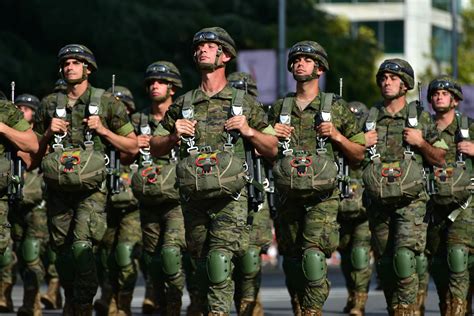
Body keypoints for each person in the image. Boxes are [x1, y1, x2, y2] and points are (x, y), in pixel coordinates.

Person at [150, 27, 277, 315]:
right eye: (199, 47)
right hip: (194, 198)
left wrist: (248, 130)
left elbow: (272, 148)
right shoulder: (183, 104)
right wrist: (172, 137)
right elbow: (154, 147)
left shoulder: (244, 103)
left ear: (226, 55)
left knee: (220, 261)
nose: (202, 50)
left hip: (231, 199)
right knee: (203, 265)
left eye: (210, 46)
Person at [34, 44, 138, 315]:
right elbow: (32, 156)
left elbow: (132, 146)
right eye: (66, 63)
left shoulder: (106, 103)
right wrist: (47, 133)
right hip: (57, 191)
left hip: (92, 192)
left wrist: (103, 130)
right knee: (63, 254)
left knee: (82, 247)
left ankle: (82, 306)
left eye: (76, 63)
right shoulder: (48, 104)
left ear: (88, 69)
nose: (70, 67)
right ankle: (72, 299)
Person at [268, 40, 366, 315]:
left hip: (322, 197)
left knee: (312, 256)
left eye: (307, 60)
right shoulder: (279, 108)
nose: (300, 63)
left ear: (320, 68)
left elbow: (358, 155)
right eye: (296, 60)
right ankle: (300, 307)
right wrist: (270, 137)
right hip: (287, 195)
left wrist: (336, 135)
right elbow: (263, 152)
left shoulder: (336, 106)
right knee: (292, 260)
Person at [362, 58, 447, 314]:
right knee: (386, 266)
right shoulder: (370, 117)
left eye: (393, 78)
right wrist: (360, 142)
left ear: (405, 85)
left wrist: (421, 143)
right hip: (378, 202)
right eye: (384, 78)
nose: (387, 83)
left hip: (412, 203)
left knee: (404, 258)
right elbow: (352, 155)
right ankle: (396, 309)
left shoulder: (420, 117)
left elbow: (441, 158)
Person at [130, 60, 187, 316]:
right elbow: (121, 155)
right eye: (151, 82)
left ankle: (176, 305)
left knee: (171, 254)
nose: (155, 86)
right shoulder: (138, 119)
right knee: (151, 259)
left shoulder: (184, 116)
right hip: (148, 198)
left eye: (161, 82)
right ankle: (160, 303)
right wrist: (134, 144)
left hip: (177, 199)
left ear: (172, 87)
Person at [423, 75, 474, 314]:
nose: (439, 97)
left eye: (444, 93)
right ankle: (449, 305)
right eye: (435, 94)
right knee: (438, 264)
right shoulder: (424, 128)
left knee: (458, 257)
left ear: (455, 100)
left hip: (464, 206)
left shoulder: (468, 127)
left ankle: (459, 309)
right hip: (431, 206)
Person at [93, 85, 142, 316]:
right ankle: (107, 296)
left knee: (124, 253)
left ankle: (123, 304)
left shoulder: (140, 130)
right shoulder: (98, 131)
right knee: (104, 255)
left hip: (132, 204)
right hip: (105, 200)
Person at [228, 71, 273, 316]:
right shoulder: (219, 118)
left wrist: (256, 139)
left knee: (249, 258)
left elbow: (278, 151)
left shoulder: (263, 120)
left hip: (255, 195)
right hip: (225, 196)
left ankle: (251, 309)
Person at [0, 91, 38, 312]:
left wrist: (5, 130)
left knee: (30, 251)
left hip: (31, 201)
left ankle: (32, 301)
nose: (23, 111)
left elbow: (33, 152)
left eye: (27, 109)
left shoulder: (10, 117)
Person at [338, 101, 372, 316]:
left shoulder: (372, 141)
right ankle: (352, 293)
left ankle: (359, 302)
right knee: (345, 256)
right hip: (340, 209)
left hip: (363, 210)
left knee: (359, 255)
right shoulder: (339, 140)